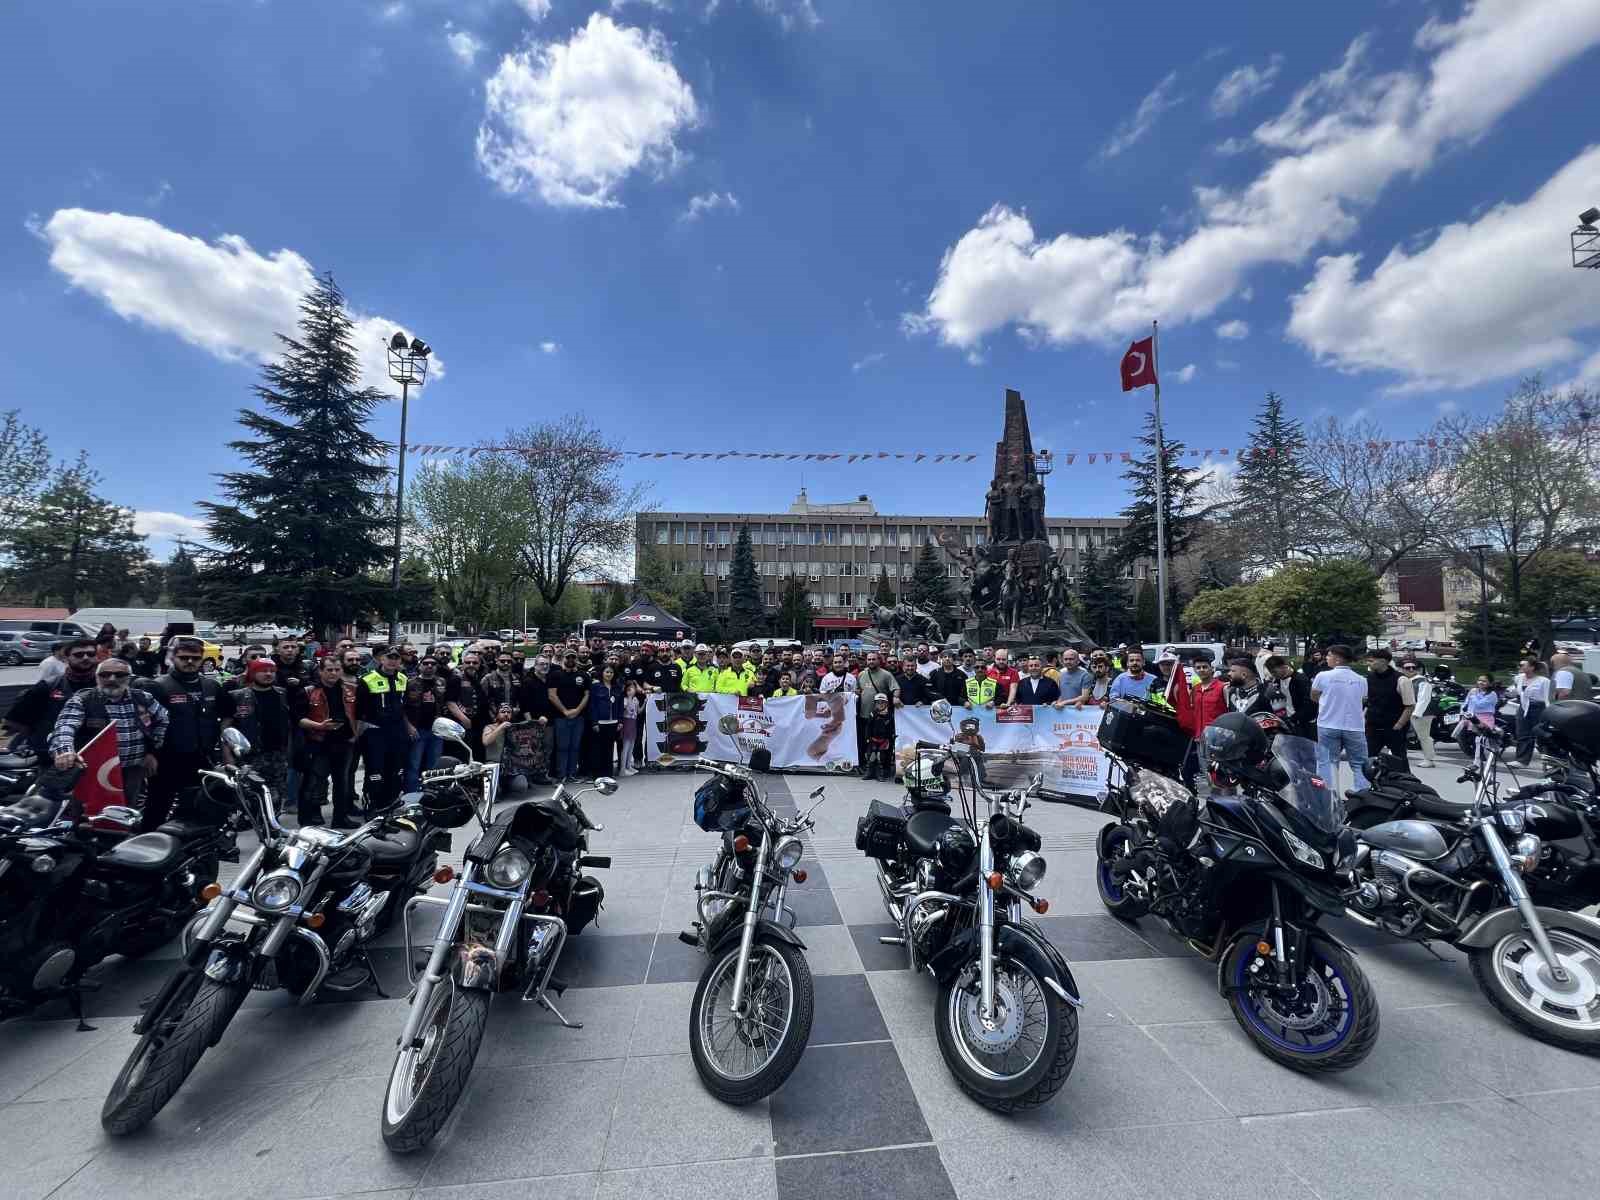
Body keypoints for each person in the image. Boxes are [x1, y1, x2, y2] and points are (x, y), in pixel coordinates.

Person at [49, 658, 168, 807]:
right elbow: (65, 725)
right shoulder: (83, 700)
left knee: (125, 810)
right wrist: (65, 751)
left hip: (133, 768)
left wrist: (152, 752)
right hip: (92, 770)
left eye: (119, 675)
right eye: (105, 675)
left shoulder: (143, 697)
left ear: (129, 678)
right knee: (87, 811)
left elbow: (163, 719)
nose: (112, 679)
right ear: (97, 677)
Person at [140, 636, 226, 831]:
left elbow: (228, 715)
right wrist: (149, 753)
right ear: (173, 658)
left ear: (202, 659)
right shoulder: (157, 686)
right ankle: (146, 844)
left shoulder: (212, 686)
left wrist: (224, 751)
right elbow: (144, 724)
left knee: (196, 808)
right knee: (157, 808)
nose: (189, 661)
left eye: (195, 658)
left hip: (202, 758)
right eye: (184, 657)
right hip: (167, 759)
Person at [6, 638, 99, 755]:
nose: (85, 658)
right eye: (79, 655)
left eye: (90, 654)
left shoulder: (106, 686)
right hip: (49, 754)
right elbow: (18, 722)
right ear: (66, 658)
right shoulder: (47, 686)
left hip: (94, 753)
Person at [296, 654, 359, 827]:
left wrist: (356, 734)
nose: (333, 673)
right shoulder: (308, 691)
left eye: (337, 669)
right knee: (314, 782)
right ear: (321, 671)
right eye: (329, 670)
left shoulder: (351, 689)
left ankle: (340, 818)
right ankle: (308, 818)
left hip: (344, 742)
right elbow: (298, 719)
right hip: (318, 742)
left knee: (342, 782)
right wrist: (319, 726)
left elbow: (359, 714)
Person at [219, 658, 295, 800]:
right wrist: (228, 759)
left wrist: (289, 754)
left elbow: (290, 726)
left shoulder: (283, 694)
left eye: (272, 671)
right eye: (263, 671)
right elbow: (226, 730)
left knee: (276, 800)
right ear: (253, 673)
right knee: (249, 799)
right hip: (248, 759)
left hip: (278, 758)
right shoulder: (237, 696)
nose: (268, 674)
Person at [356, 647, 411, 811]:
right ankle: (373, 807)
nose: (393, 661)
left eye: (396, 658)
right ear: (381, 659)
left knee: (396, 771)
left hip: (397, 732)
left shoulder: (403, 678)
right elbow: (359, 710)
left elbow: (405, 706)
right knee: (375, 772)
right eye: (389, 657)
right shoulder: (367, 679)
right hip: (376, 733)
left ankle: (391, 806)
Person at [1311, 644, 1369, 792]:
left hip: (1327, 724)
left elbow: (1314, 695)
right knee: (1359, 763)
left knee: (1328, 762)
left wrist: (1327, 704)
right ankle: (1362, 792)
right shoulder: (1361, 679)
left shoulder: (1323, 676)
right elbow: (1362, 699)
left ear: (1338, 659)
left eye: (1329, 655)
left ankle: (1328, 793)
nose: (1326, 658)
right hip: (1355, 726)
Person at [1176, 656, 1228, 789]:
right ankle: (1214, 799)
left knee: (1222, 775)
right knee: (1207, 774)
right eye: (1198, 668)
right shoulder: (1196, 689)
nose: (1201, 670)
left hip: (1218, 740)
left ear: (1212, 669)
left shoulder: (1223, 688)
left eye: (1205, 667)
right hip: (1200, 739)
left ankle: (1227, 800)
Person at [403, 655, 449, 790]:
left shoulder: (441, 682)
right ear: (420, 665)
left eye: (433, 664)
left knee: (434, 764)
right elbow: (402, 708)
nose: (430, 666)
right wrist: (409, 726)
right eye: (426, 663)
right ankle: (411, 792)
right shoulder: (410, 683)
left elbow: (445, 704)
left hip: (437, 730)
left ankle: (431, 791)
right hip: (417, 729)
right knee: (414, 763)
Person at [1363, 648, 1413, 771]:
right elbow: (1368, 701)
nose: (1368, 664)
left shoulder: (1401, 679)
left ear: (1383, 661)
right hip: (1373, 726)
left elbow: (1410, 706)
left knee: (1399, 760)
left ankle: (1406, 780)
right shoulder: (1369, 678)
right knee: (1369, 761)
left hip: (1394, 727)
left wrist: (1399, 725)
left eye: (1371, 661)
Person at [548, 651, 591, 783]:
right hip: (561, 717)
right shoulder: (555, 674)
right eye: (568, 657)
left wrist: (578, 710)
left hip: (579, 716)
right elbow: (552, 695)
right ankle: (561, 774)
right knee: (562, 747)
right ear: (563, 658)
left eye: (573, 657)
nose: (571, 659)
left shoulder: (583, 675)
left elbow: (587, 695)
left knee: (575, 746)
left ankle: (572, 774)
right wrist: (565, 711)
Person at [1399, 659, 1437, 768]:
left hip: (1422, 714)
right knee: (1400, 734)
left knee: (1423, 736)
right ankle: (1396, 755)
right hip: (1409, 712)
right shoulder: (1405, 681)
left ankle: (1429, 759)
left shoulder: (1422, 681)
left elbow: (1424, 698)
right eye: (1407, 668)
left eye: (1413, 667)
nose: (1411, 669)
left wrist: (1417, 713)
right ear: (1402, 669)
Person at [1513, 657, 1551, 765]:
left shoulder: (1544, 681)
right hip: (1524, 706)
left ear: (1532, 667)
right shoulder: (1518, 678)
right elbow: (1519, 692)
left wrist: (1548, 712)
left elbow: (1547, 698)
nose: (1520, 667)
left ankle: (1549, 759)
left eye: (1523, 665)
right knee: (1522, 733)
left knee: (1540, 733)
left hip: (1538, 707)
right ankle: (1522, 760)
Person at [587, 665, 622, 778]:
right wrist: (594, 722)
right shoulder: (596, 687)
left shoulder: (617, 687)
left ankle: (608, 774)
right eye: (607, 672)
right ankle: (597, 774)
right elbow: (592, 705)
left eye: (611, 672)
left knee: (609, 749)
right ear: (602, 673)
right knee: (597, 749)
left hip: (613, 723)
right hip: (600, 723)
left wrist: (620, 721)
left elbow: (620, 705)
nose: (609, 674)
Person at [1459, 674, 1501, 754]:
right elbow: (1466, 703)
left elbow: (1479, 704)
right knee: (1467, 737)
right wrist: (1463, 714)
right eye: (1479, 680)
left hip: (1484, 719)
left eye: (1484, 681)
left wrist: (1473, 696)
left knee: (1479, 739)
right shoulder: (1473, 691)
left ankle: (1482, 757)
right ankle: (1476, 757)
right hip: (1471, 717)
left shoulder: (1492, 694)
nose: (1481, 682)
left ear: (1490, 683)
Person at [862, 693, 896, 781]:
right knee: (871, 756)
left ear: (886, 704)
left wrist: (890, 739)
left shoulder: (890, 715)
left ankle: (880, 774)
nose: (880, 705)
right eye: (878, 703)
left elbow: (892, 728)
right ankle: (869, 773)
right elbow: (868, 727)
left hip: (884, 740)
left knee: (881, 757)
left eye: (882, 703)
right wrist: (867, 738)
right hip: (873, 739)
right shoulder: (873, 714)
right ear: (875, 704)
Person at [619, 680, 642, 776]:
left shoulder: (636, 699)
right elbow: (624, 709)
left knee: (631, 746)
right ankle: (622, 769)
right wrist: (628, 698)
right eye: (630, 688)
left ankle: (628, 766)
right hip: (627, 722)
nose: (633, 690)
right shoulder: (624, 699)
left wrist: (645, 702)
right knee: (626, 747)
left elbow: (638, 711)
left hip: (633, 723)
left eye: (634, 688)